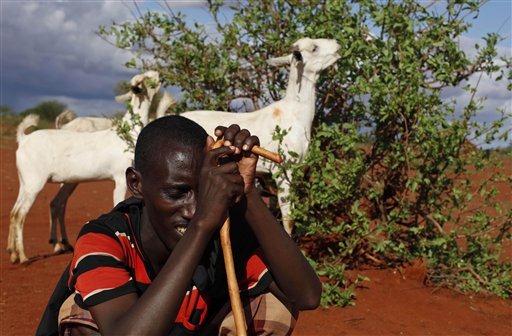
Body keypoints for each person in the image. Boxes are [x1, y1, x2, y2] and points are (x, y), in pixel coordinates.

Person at [36, 115, 321, 336]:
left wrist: (247, 193)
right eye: (177, 193)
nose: (194, 209)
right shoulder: (107, 237)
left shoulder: (221, 230)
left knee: (271, 310)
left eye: (204, 190)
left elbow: (306, 296)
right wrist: (200, 227)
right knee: (79, 313)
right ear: (136, 184)